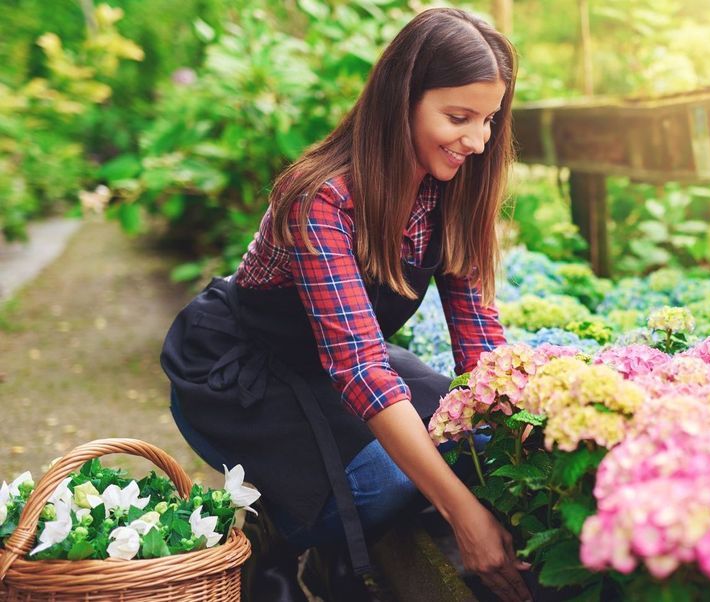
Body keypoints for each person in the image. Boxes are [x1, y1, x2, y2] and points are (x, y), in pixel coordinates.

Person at [160, 8, 531, 601]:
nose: (478, 140)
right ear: (401, 99)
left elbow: (480, 344)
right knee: (381, 488)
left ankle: (333, 551)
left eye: (488, 119)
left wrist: (530, 429)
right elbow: (358, 367)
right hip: (247, 371)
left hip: (339, 364)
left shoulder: (453, 188)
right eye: (458, 118)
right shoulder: (320, 196)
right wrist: (465, 515)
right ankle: (276, 539)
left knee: (477, 440)